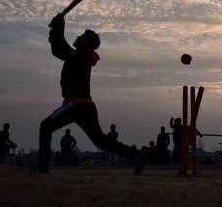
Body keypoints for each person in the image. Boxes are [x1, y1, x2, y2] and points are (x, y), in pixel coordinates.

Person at [32, 14, 144, 174]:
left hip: (76, 105)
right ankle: (135, 154)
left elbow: (60, 49)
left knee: (46, 126)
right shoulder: (80, 56)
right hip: (83, 106)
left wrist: (58, 27)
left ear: (87, 43)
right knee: (100, 141)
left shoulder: (81, 56)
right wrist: (58, 28)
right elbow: (60, 49)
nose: (78, 37)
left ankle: (42, 166)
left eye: (82, 36)